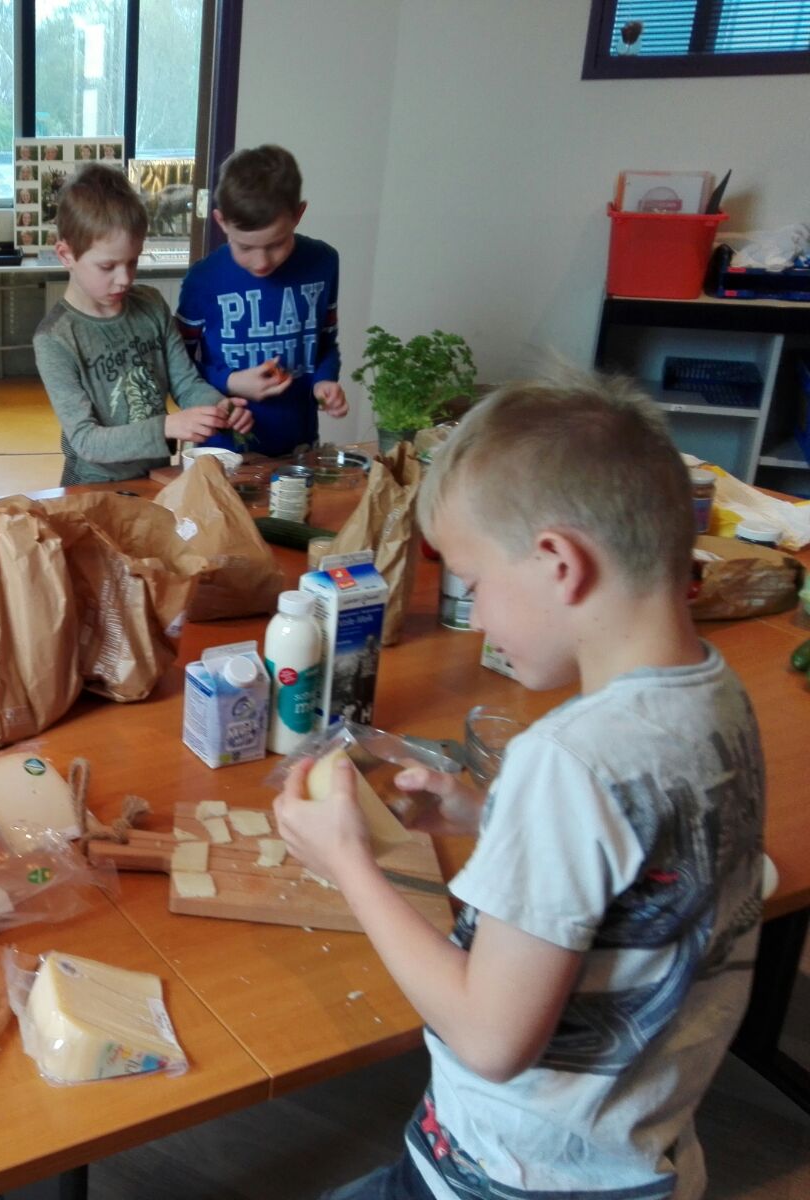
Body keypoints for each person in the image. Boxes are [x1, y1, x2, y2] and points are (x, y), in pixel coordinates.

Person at [275, 369, 764, 1200]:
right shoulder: (717, 697)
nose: (479, 616)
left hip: (505, 1181)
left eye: (474, 584)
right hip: (635, 1164)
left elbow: (490, 1038)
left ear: (559, 563)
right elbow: (645, 865)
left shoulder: (567, 761)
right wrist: (491, 815)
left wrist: (350, 866)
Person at [34, 164, 252, 485]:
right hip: (92, 485)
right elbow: (86, 440)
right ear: (66, 255)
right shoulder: (55, 338)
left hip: (157, 476)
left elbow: (186, 383)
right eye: (107, 266)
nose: (124, 278)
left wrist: (218, 407)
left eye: (133, 261)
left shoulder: (150, 304)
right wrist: (167, 427)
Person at [176, 144, 348, 458]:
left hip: (298, 445)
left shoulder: (323, 263)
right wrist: (230, 381)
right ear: (221, 221)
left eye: (276, 244)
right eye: (245, 247)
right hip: (223, 450)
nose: (261, 262)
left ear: (298, 215)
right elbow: (178, 368)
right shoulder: (202, 280)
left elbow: (325, 343)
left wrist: (324, 382)